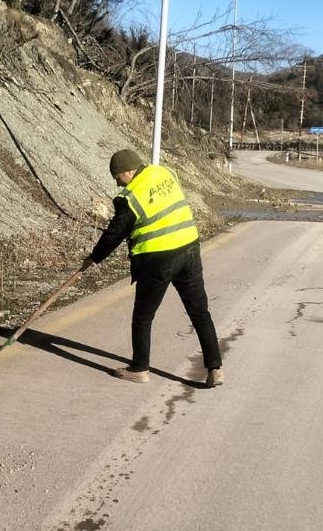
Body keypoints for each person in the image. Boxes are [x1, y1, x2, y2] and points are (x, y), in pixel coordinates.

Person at [82, 149, 223, 387]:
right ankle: (215, 368)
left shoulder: (131, 196)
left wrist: (94, 258)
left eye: (117, 176)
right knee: (200, 312)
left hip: (158, 259)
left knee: (143, 317)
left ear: (128, 171)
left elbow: (115, 233)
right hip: (189, 248)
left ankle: (139, 369)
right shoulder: (165, 173)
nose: (116, 182)